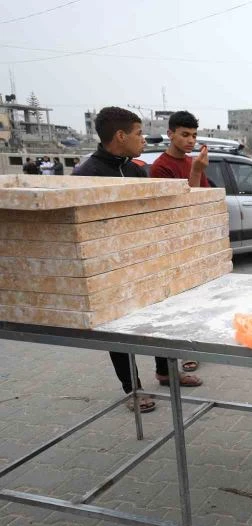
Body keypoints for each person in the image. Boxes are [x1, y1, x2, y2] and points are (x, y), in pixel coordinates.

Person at [73, 106, 158, 413]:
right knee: (118, 330)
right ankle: (132, 389)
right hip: (106, 268)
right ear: (121, 136)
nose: (143, 139)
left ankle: (166, 373)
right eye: (138, 133)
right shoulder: (87, 175)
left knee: (157, 319)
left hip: (141, 261)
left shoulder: (136, 171)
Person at [147, 110, 211, 386]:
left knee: (193, 304)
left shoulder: (191, 162)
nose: (190, 140)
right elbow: (175, 209)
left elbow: (201, 200)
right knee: (170, 311)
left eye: (194, 135)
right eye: (184, 134)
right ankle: (165, 371)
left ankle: (187, 352)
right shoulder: (161, 167)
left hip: (192, 243)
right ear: (170, 133)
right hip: (170, 247)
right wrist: (196, 171)